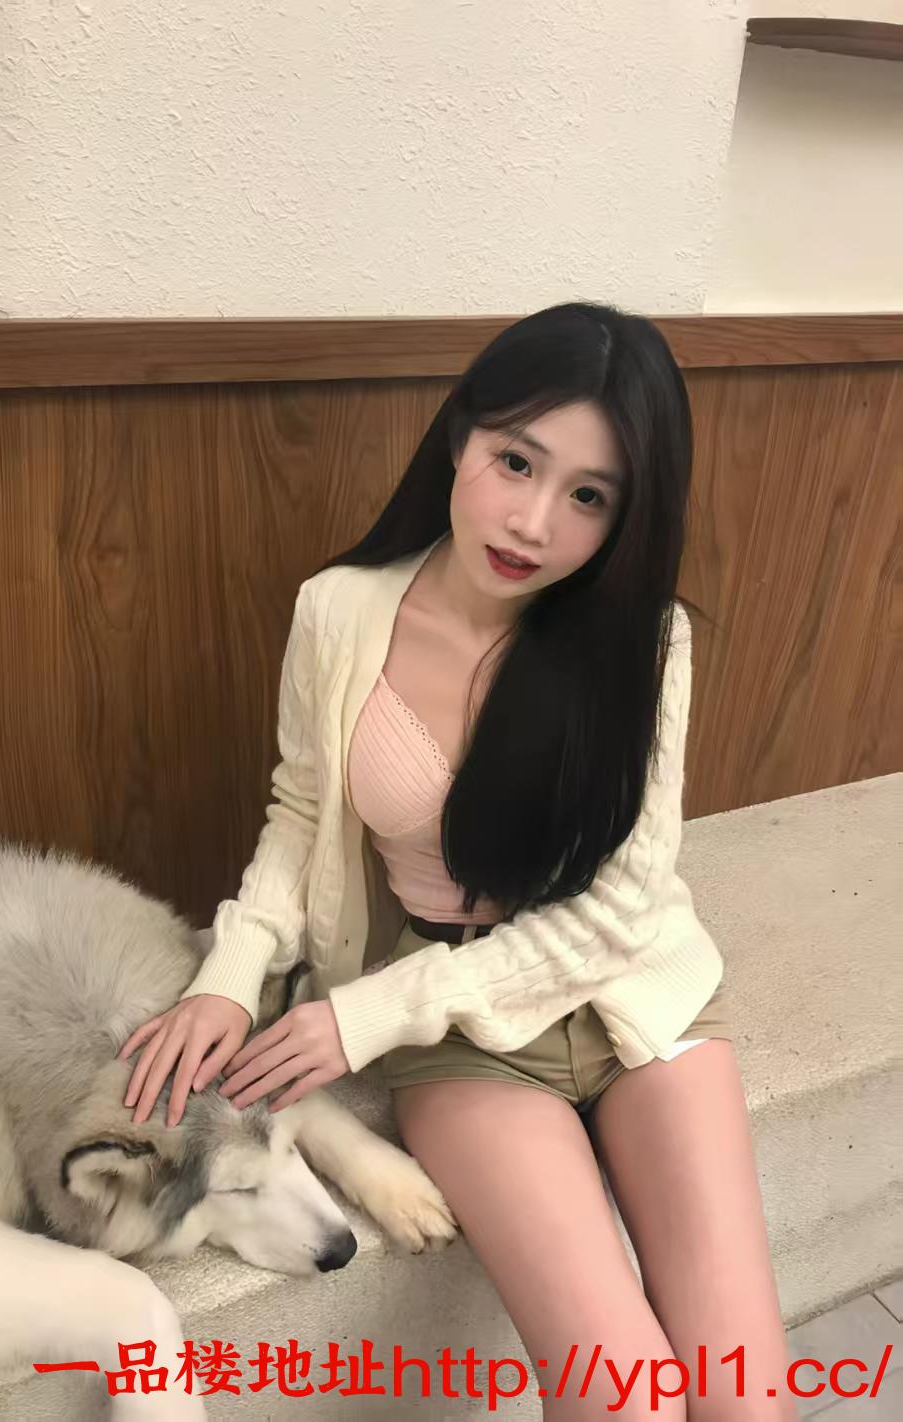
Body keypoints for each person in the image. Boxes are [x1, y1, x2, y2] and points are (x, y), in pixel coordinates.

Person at [120, 302, 796, 1418]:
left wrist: (364, 1017)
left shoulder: (644, 643)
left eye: (589, 496)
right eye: (515, 461)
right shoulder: (339, 613)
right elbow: (302, 809)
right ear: (459, 434)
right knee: (627, 1403)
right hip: (466, 1045)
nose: (532, 520)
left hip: (638, 999)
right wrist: (230, 977)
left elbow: (622, 910)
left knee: (747, 1402)